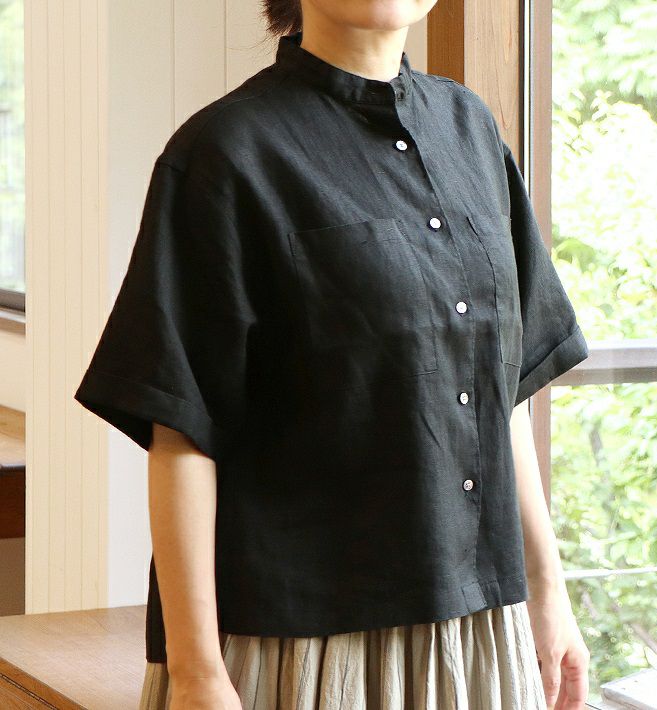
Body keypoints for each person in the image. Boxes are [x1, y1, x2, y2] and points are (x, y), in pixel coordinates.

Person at [73, 1, 592, 709]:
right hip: (302, 647)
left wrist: (548, 591)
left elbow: (501, 396)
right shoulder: (225, 151)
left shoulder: (471, 128)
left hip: (476, 631)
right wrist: (195, 672)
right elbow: (182, 431)